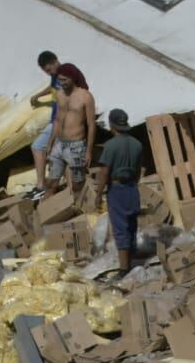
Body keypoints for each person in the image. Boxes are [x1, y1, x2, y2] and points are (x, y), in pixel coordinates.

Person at [95, 109, 145, 274]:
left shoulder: (110, 146)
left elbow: (104, 172)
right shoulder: (137, 144)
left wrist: (98, 194)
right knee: (131, 224)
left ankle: (124, 269)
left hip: (116, 190)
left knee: (120, 228)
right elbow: (138, 170)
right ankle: (132, 257)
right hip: (132, 187)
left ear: (111, 125)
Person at [45, 63, 95, 196]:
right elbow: (57, 120)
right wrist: (50, 142)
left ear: (72, 78)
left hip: (76, 146)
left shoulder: (85, 96)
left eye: (64, 80)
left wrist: (89, 151)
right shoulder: (59, 94)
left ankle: (79, 212)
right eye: (59, 80)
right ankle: (45, 211)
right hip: (59, 144)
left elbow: (91, 125)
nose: (62, 83)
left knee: (78, 184)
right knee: (51, 183)